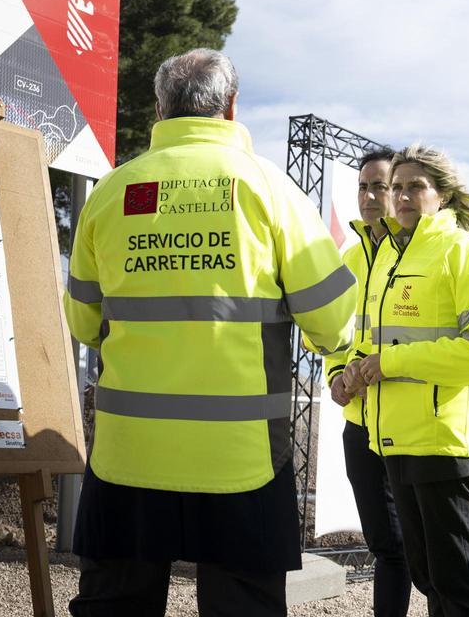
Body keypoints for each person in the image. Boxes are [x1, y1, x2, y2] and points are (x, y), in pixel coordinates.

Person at [63, 48, 360, 617]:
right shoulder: (270, 189)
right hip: (240, 459)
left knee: (114, 606)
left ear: (158, 109)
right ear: (231, 108)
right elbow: (331, 320)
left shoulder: (111, 192)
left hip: (130, 454)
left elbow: (83, 323)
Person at [351, 144, 469, 617]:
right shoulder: (393, 258)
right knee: (428, 578)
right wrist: (351, 369)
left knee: (455, 584)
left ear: (444, 194)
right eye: (396, 188)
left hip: (443, 444)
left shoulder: (466, 252)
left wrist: (390, 363)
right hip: (395, 440)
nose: (402, 197)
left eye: (415, 186)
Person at [323, 147, 413, 617]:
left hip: (413, 425)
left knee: (427, 553)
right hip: (359, 422)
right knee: (386, 546)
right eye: (363, 186)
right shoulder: (349, 254)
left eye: (380, 185)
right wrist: (338, 375)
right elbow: (338, 336)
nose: (370, 196)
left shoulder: (422, 247)